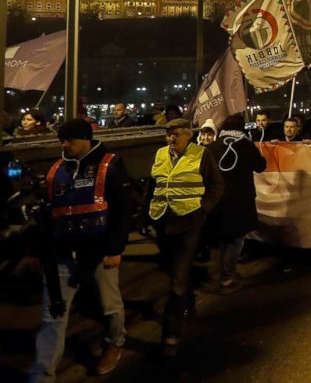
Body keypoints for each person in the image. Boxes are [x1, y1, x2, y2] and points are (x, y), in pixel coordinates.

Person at [30, 119, 131, 381]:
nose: (64, 145)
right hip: (62, 257)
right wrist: (43, 254)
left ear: (85, 138)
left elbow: (122, 211)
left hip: (99, 254)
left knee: (110, 307)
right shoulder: (56, 170)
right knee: (53, 317)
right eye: (61, 140)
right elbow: (48, 218)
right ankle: (43, 375)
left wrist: (115, 249)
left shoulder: (110, 165)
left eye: (69, 140)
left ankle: (114, 343)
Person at [148, 119, 224, 357]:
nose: (171, 139)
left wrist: (203, 209)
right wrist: (145, 215)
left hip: (189, 222)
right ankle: (189, 301)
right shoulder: (160, 154)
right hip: (163, 221)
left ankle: (171, 334)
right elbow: (154, 186)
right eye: (168, 134)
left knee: (177, 280)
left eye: (176, 134)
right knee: (173, 271)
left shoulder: (201, 154)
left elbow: (217, 185)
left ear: (188, 136)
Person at [207, 115, 267, 293]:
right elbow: (260, 166)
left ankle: (222, 273)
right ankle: (227, 278)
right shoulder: (245, 145)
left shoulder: (213, 146)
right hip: (239, 200)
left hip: (217, 200)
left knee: (223, 237)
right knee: (237, 239)